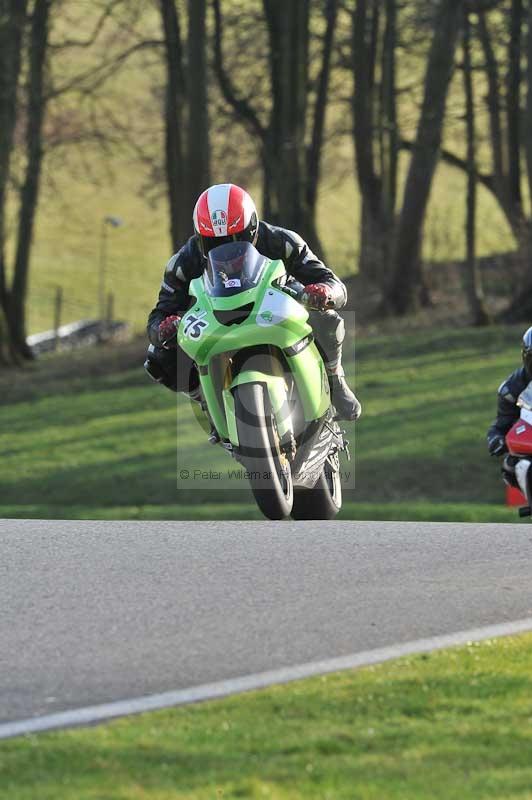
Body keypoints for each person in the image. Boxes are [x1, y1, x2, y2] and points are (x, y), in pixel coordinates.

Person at [145, 183, 361, 424]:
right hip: (215, 316)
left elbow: (333, 284)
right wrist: (162, 329)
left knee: (327, 317)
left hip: (274, 305)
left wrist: (324, 293)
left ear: (254, 228)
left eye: (238, 238)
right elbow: (158, 315)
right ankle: (205, 399)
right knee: (158, 356)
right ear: (200, 240)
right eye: (214, 244)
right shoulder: (182, 264)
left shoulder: (284, 242)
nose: (228, 251)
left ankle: (334, 378)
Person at [487, 326, 532, 487]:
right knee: (510, 465)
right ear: (526, 358)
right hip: (530, 442)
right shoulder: (511, 389)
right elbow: (501, 424)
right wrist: (496, 440)